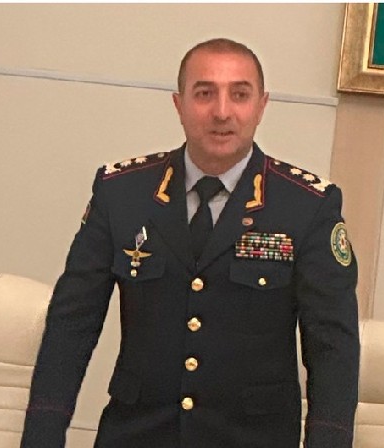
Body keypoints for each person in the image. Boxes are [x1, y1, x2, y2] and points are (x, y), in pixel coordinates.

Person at [21, 37, 360, 448]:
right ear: (179, 104)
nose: (222, 112)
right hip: (137, 436)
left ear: (261, 106)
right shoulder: (123, 193)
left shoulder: (306, 206)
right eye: (204, 94)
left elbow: (332, 348)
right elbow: (71, 324)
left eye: (239, 95)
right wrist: (41, 438)